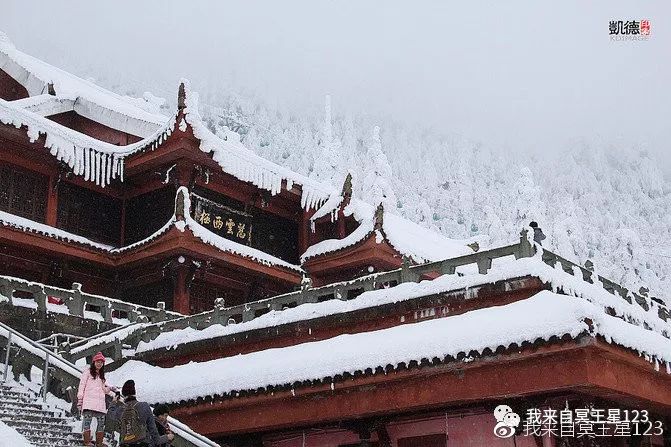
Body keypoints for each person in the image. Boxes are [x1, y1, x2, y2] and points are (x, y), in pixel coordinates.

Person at [107, 380, 174, 447]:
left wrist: (114, 402)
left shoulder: (121, 409)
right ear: (134, 393)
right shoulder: (144, 406)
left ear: (124, 395)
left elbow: (110, 413)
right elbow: (156, 438)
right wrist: (167, 437)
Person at [77, 351, 116, 447]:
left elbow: (103, 390)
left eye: (101, 362)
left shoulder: (102, 376)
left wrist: (110, 388)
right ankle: (87, 441)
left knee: (101, 422)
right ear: (94, 362)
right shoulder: (87, 372)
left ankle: (99, 442)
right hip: (89, 402)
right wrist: (80, 399)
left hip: (100, 403)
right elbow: (82, 386)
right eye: (98, 362)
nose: (99, 364)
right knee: (87, 422)